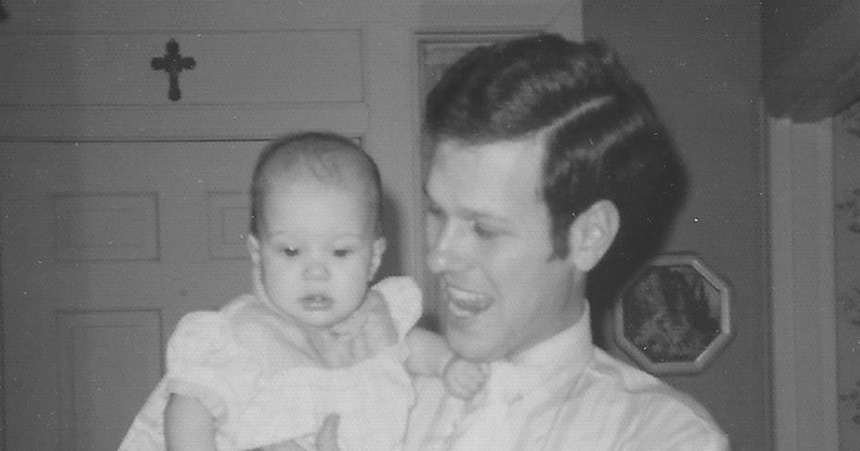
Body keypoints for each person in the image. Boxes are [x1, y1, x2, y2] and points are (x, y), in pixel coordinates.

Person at [401, 33, 730, 449]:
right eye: (435, 212)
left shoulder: (659, 436)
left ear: (589, 236)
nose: (438, 257)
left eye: (483, 229)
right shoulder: (372, 389)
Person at [118, 132, 487, 451]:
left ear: (373, 259)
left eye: (340, 251)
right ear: (258, 254)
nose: (315, 271)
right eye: (291, 251)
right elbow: (189, 406)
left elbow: (415, 348)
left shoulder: (380, 319)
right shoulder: (244, 333)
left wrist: (448, 364)